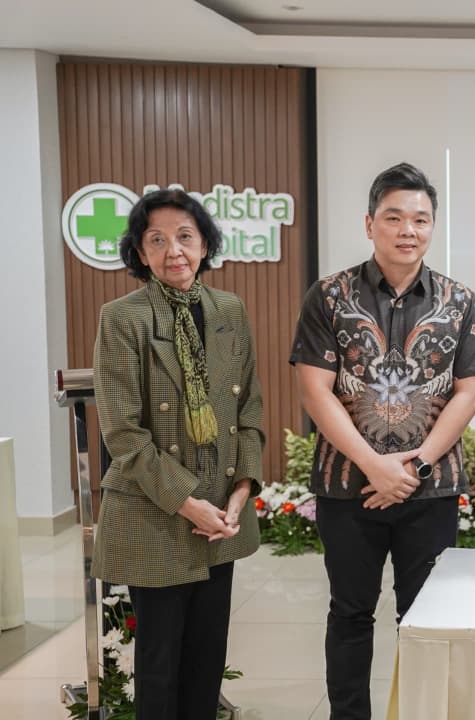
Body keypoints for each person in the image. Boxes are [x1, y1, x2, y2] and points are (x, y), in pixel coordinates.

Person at [290, 162, 475, 719]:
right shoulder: (328, 296)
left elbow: (469, 393)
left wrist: (415, 466)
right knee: (350, 613)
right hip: (347, 488)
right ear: (369, 223)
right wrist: (374, 465)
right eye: (394, 217)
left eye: (420, 219)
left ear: (433, 226)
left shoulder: (459, 300)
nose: (408, 230)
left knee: (425, 620)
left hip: (430, 491)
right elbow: (315, 390)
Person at [92, 188, 264, 718]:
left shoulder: (228, 310)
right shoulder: (123, 317)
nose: (174, 251)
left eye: (185, 237)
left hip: (221, 517)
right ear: (139, 252)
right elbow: (123, 433)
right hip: (156, 515)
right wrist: (189, 504)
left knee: (207, 663)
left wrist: (240, 493)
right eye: (157, 240)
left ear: (205, 244)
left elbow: (249, 408)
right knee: (160, 669)